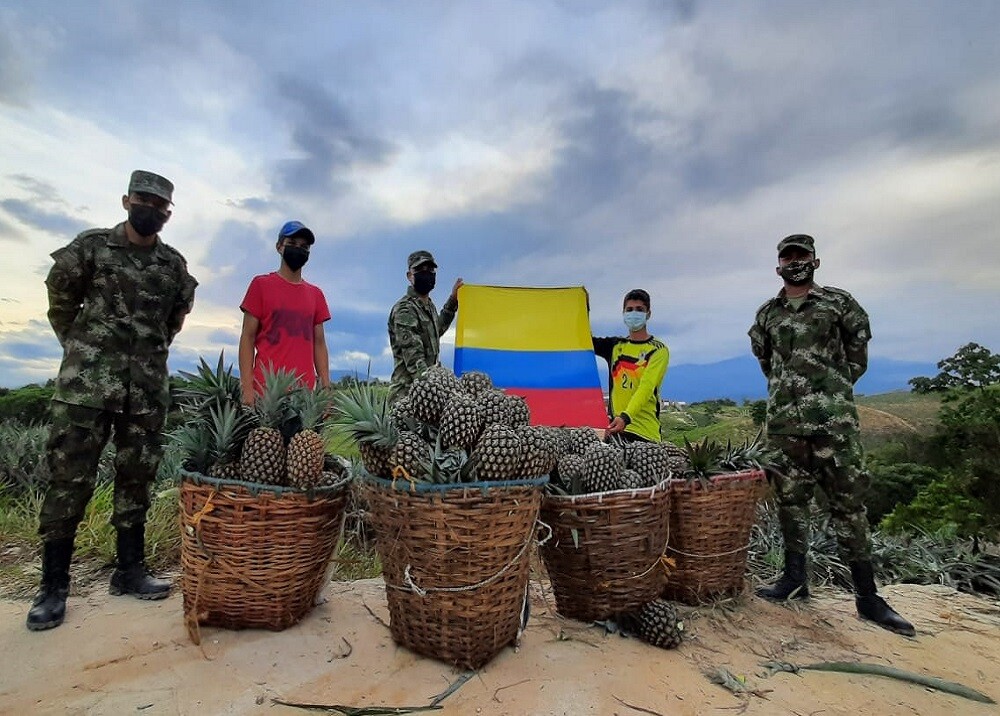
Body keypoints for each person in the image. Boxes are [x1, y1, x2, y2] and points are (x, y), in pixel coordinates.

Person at [30, 170, 198, 631]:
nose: (151, 209)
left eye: (160, 205)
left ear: (168, 213)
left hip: (144, 391)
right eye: (143, 199)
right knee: (69, 480)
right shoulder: (91, 247)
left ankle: (129, 571)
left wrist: (143, 354)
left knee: (137, 479)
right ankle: (52, 587)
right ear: (126, 201)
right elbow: (60, 299)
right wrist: (81, 349)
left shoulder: (174, 267)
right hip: (85, 389)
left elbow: (173, 320)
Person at [749, 233, 914, 636]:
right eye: (788, 258)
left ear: (814, 262)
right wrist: (792, 395)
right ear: (779, 267)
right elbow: (767, 362)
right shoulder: (767, 313)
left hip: (833, 425)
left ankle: (868, 598)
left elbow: (858, 356)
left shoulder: (839, 304)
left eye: (801, 256)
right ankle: (794, 580)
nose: (795, 263)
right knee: (790, 503)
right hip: (785, 427)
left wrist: (831, 387)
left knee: (849, 505)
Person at [239, 221, 331, 403]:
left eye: (304, 247)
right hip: (265, 394)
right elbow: (247, 338)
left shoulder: (316, 294)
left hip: (304, 396)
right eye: (292, 244)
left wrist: (326, 389)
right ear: (279, 247)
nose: (298, 249)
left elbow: (319, 344)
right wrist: (246, 388)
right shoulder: (261, 285)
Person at [592, 289, 669, 443]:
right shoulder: (615, 346)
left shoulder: (658, 350)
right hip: (616, 432)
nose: (634, 313)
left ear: (648, 314)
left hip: (645, 435)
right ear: (623, 313)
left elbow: (646, 388)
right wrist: (581, 309)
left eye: (639, 310)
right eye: (629, 310)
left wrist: (626, 417)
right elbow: (584, 342)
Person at [387, 250, 463, 400]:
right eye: (420, 269)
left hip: (427, 394)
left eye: (430, 270)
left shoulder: (428, 306)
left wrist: (453, 301)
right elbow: (415, 360)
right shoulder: (405, 310)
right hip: (407, 397)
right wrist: (443, 388)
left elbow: (437, 329)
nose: (426, 273)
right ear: (409, 276)